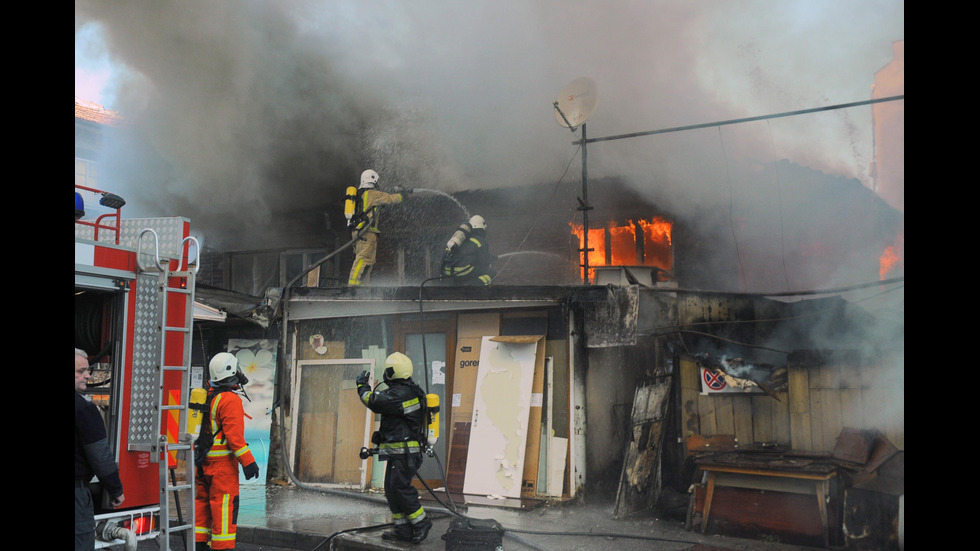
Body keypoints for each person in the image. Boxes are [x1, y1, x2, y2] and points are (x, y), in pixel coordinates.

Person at [354, 352, 433, 544]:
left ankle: (421, 522)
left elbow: (373, 401)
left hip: (406, 452)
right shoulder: (405, 391)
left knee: (399, 487)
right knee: (391, 489)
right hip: (399, 452)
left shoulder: (401, 393)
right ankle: (403, 529)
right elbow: (396, 419)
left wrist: (361, 386)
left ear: (392, 372)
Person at [195, 352, 260, 551]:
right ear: (231, 371)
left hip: (201, 464)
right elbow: (235, 438)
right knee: (223, 508)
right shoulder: (229, 400)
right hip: (222, 469)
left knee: (202, 505)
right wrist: (249, 462)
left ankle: (198, 544)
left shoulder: (209, 395)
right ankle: (222, 547)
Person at [75, 348, 125, 551]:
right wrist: (116, 489)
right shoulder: (83, 409)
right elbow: (100, 455)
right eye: (81, 371)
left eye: (88, 370)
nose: (88, 375)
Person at [348, 169, 411, 286]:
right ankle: (353, 286)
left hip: (358, 232)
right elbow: (390, 198)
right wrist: (403, 196)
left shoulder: (360, 194)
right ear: (372, 180)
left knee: (368, 261)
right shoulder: (372, 194)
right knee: (363, 258)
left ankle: (362, 287)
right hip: (366, 232)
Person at [441, 215, 497, 285]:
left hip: (448, 272)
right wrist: (491, 259)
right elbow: (484, 262)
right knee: (491, 272)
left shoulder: (461, 239)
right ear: (482, 228)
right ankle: (473, 286)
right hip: (463, 274)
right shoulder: (480, 241)